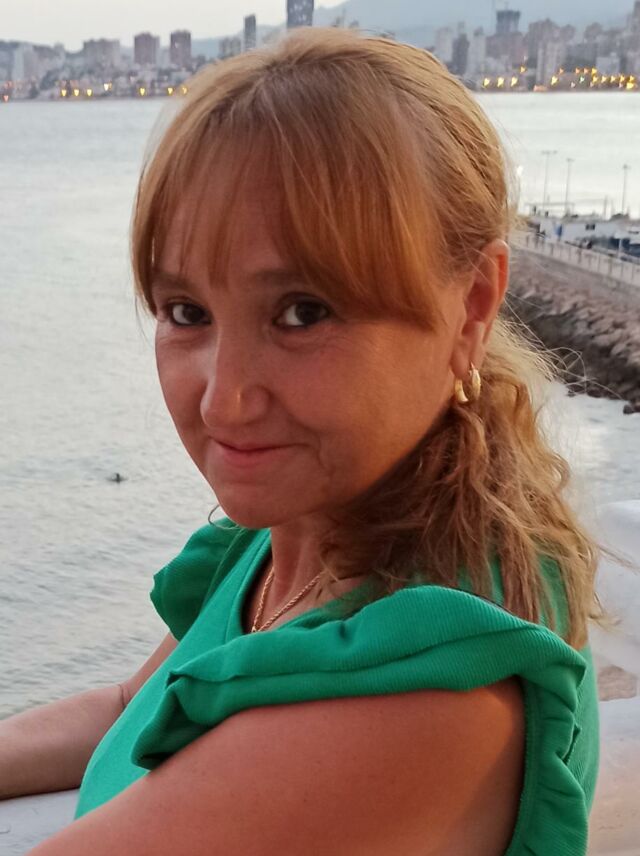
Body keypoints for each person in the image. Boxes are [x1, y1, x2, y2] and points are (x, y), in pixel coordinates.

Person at [1, 27, 604, 855]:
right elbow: (128, 708)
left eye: (302, 313)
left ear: (470, 307)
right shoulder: (298, 540)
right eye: (187, 312)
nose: (224, 398)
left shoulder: (420, 699)